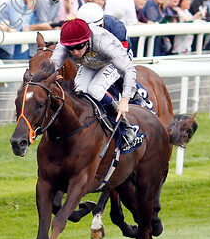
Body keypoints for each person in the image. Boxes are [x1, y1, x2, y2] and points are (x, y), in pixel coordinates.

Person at [49, 18, 141, 151]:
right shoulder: (64, 44)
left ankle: (126, 128)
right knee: (79, 91)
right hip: (90, 62)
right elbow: (51, 68)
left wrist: (125, 101)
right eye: (70, 48)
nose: (75, 52)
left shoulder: (103, 42)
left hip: (112, 61)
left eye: (79, 46)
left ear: (87, 40)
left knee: (95, 90)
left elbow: (128, 70)